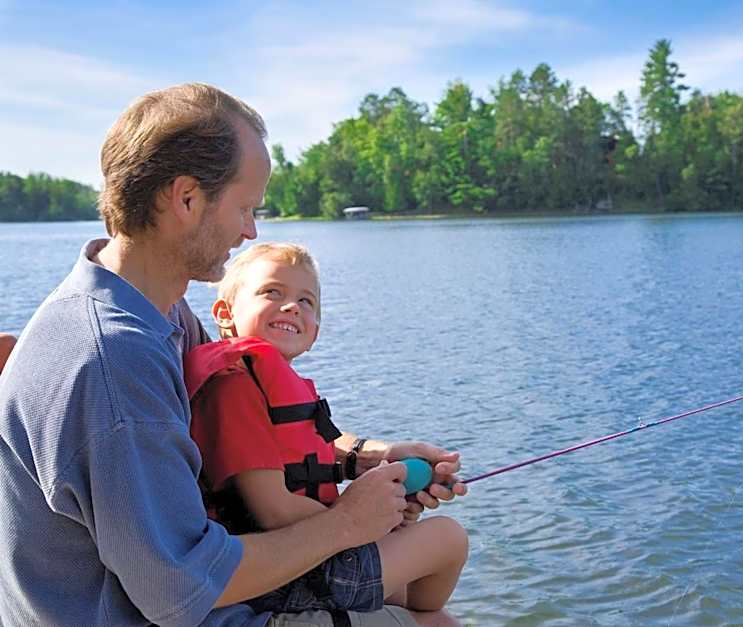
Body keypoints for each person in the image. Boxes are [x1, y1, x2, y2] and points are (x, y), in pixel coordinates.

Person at [0, 83, 466, 627]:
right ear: (187, 199)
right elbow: (178, 590)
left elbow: (257, 427)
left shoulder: (158, 313)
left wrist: (362, 458)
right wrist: (350, 522)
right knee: (437, 623)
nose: (251, 230)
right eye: (245, 207)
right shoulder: (112, 362)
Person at [186, 242, 468, 616]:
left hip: (310, 560)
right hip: (283, 577)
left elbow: (312, 461)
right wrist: (362, 524)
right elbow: (270, 510)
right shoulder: (233, 388)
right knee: (448, 538)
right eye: (272, 292)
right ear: (225, 313)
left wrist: (385, 503)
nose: (293, 306)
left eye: (307, 301)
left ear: (315, 330)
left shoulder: (264, 383)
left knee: (417, 584)